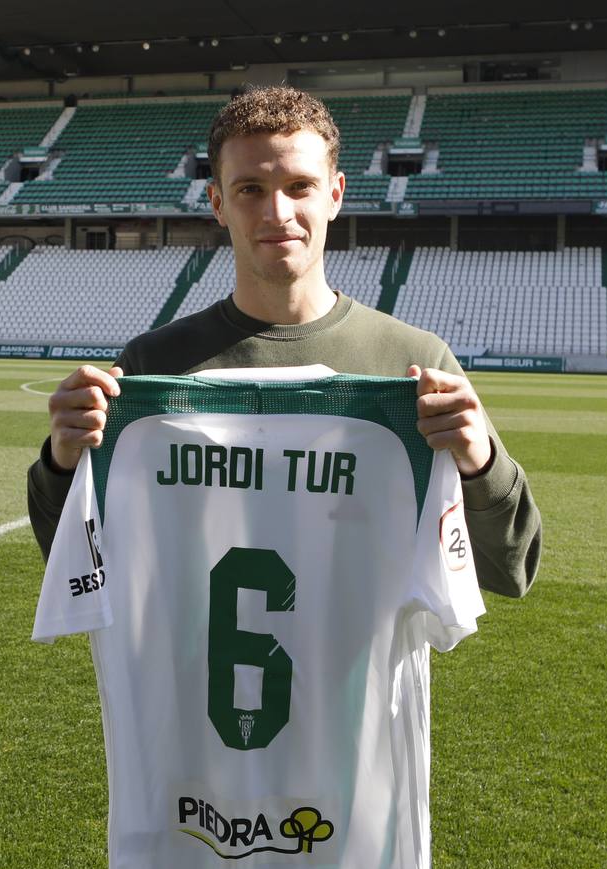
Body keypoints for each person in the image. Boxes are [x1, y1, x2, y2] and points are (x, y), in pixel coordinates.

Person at [28, 85, 540, 599]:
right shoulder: (151, 365)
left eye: (300, 186)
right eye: (250, 188)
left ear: (335, 195)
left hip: (356, 681)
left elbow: (507, 571)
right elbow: (78, 567)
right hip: (189, 679)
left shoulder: (414, 363)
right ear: (217, 202)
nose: (277, 212)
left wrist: (480, 463)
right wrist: (62, 462)